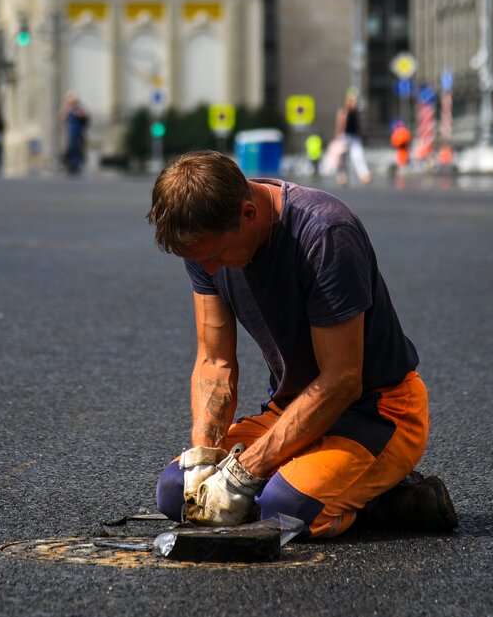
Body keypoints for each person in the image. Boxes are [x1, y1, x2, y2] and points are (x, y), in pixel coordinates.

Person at [147, 151, 456, 539]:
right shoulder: (206, 240)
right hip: (293, 409)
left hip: (378, 413)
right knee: (179, 495)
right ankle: (330, 488)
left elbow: (342, 380)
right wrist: (204, 463)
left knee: (282, 511)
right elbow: (215, 362)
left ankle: (384, 501)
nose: (209, 270)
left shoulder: (325, 234)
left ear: (247, 213)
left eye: (215, 255)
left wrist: (244, 472)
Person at [321, 88, 372, 186]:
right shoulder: (343, 112)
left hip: (354, 137)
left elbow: (357, 126)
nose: (353, 103)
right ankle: (342, 177)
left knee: (358, 155)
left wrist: (361, 135)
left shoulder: (355, 112)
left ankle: (364, 175)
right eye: (351, 100)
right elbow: (340, 126)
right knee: (342, 158)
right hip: (344, 137)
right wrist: (338, 138)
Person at [59, 92, 89, 175]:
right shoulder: (67, 108)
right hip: (70, 131)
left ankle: (77, 163)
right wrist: (67, 111)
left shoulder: (78, 108)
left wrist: (79, 112)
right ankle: (70, 163)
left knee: (77, 147)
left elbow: (85, 115)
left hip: (78, 131)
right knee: (70, 147)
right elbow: (62, 117)